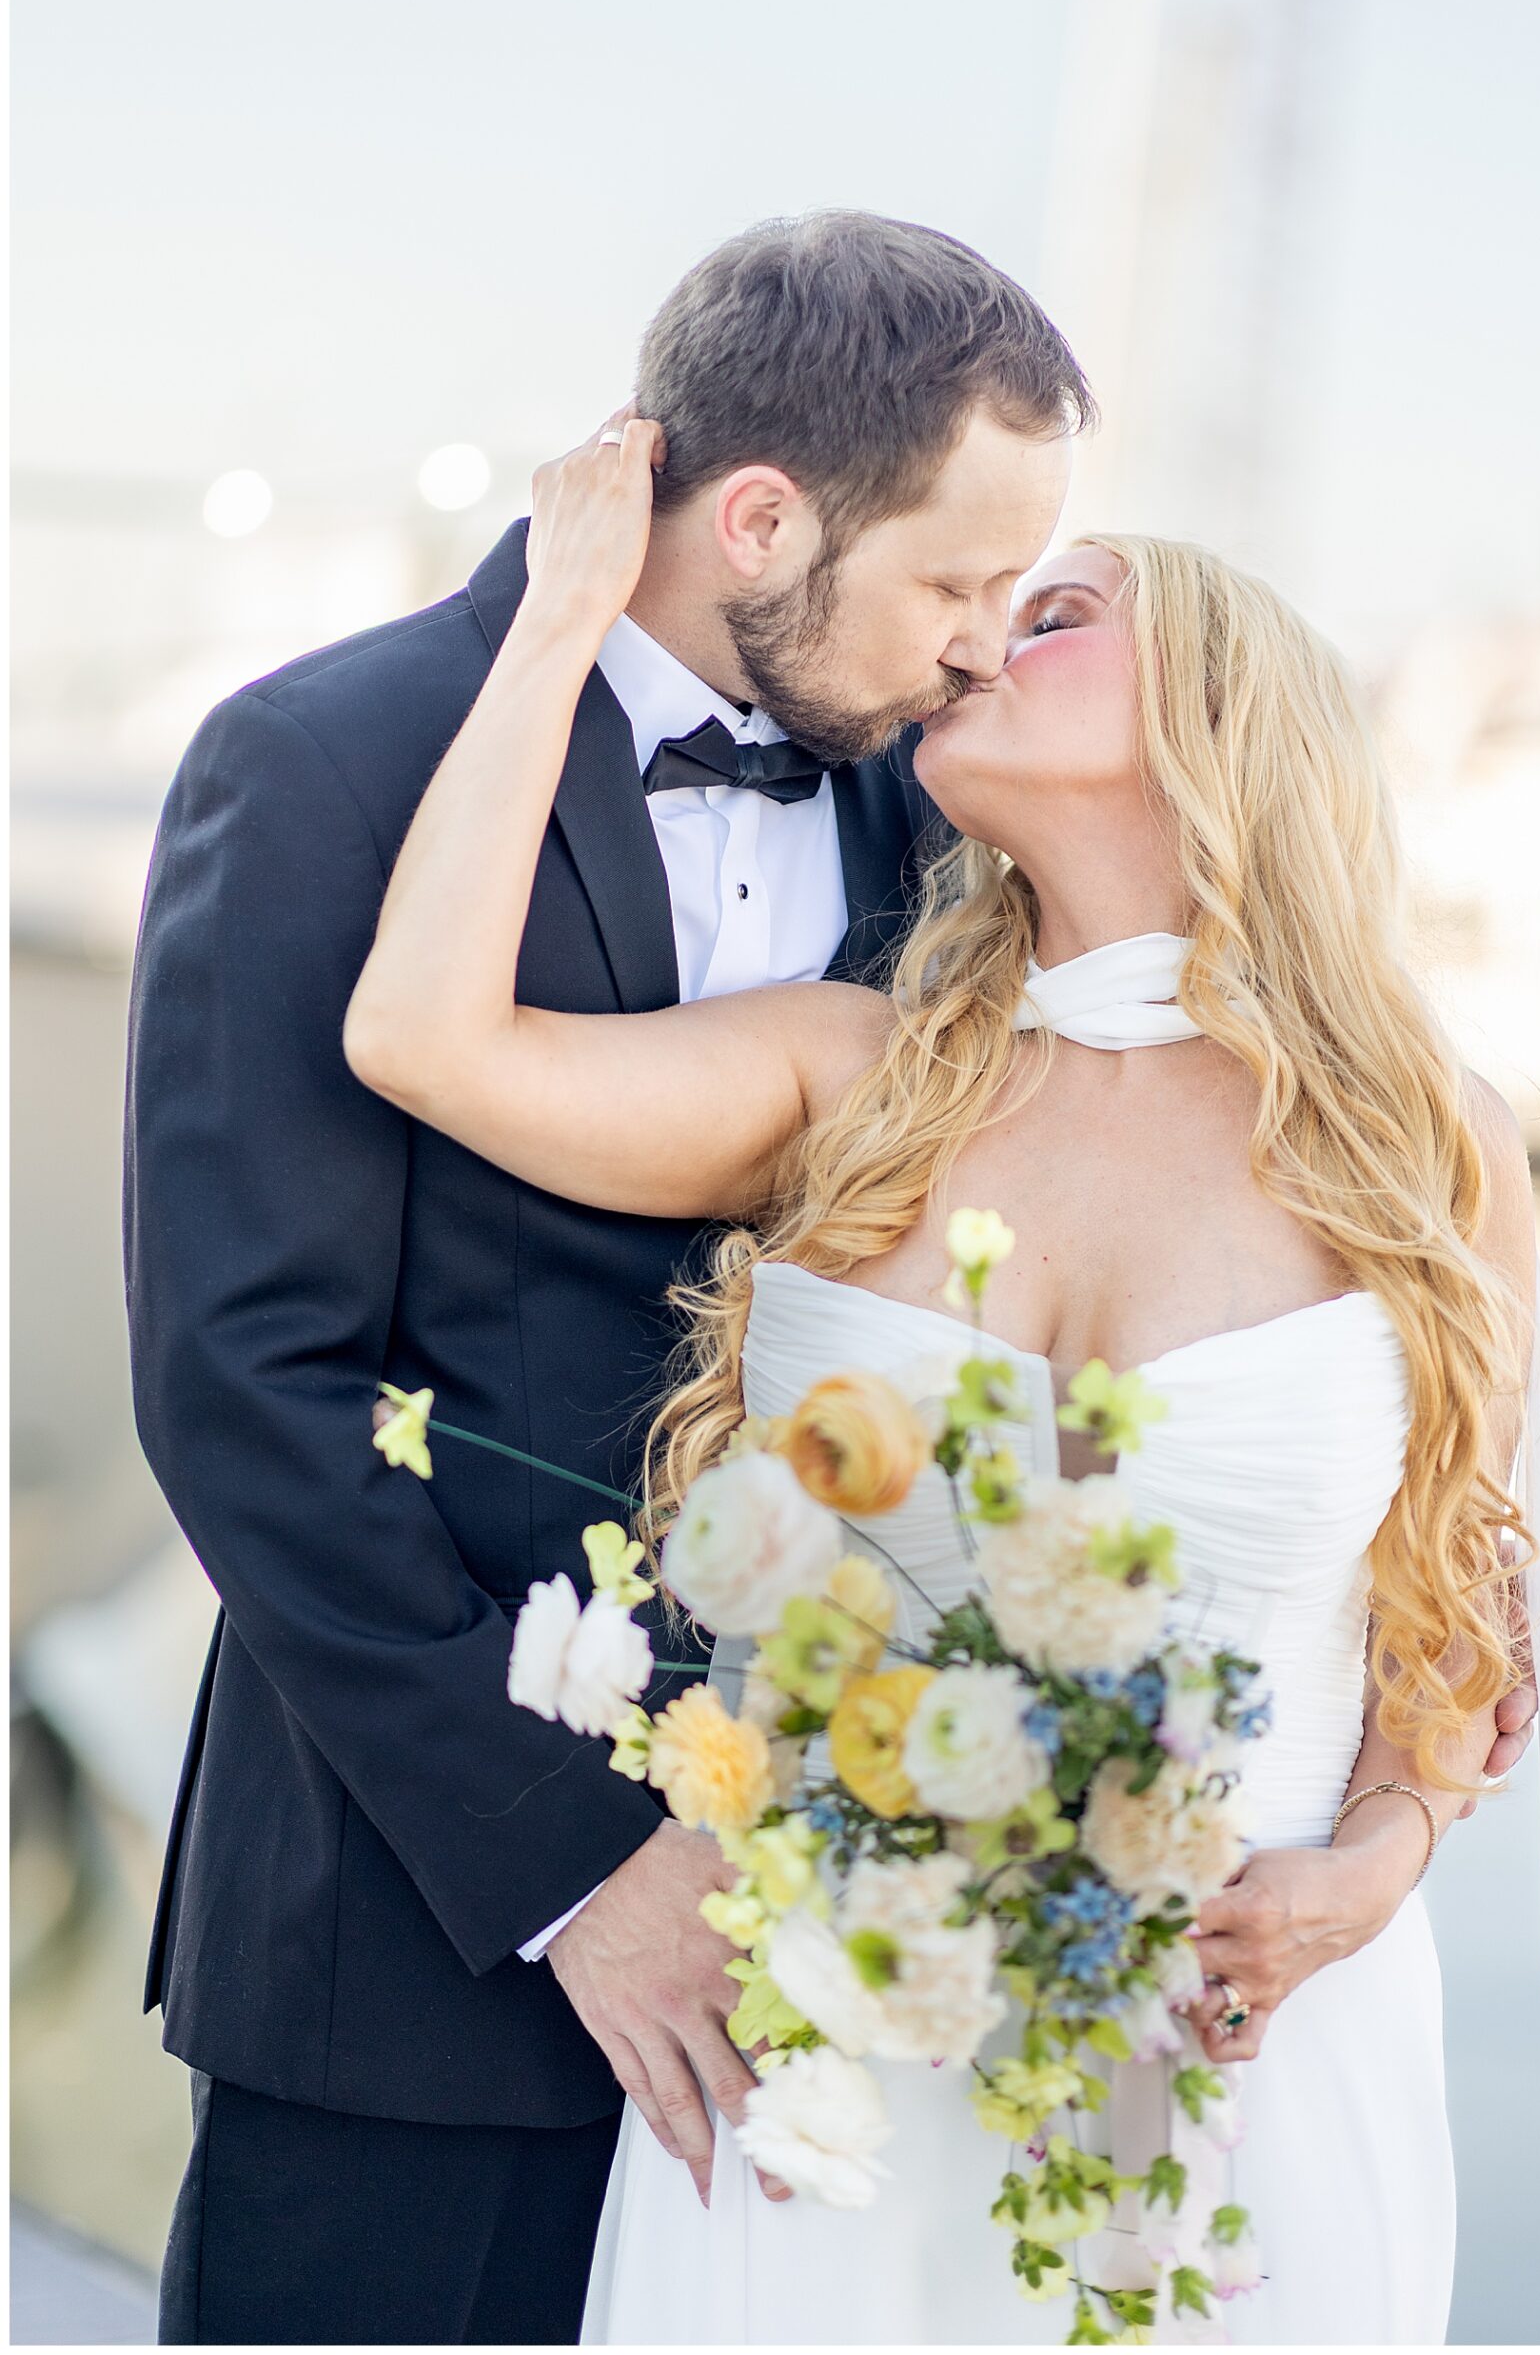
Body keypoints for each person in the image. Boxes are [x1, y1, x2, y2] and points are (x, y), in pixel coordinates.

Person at [335, 426, 1540, 2346]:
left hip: (1243, 2051)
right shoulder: (848, 1080)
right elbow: (419, 1038)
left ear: (1217, 716)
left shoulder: (1426, 1146)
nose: (970, 645)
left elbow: (1448, 1606)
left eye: (1053, 611)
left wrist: (1377, 1864)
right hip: (817, 2058)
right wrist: (558, 625)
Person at [123, 210, 1099, 2345]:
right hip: (407, 1945)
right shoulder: (318, 766)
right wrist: (572, 1862)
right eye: (951, 582)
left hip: (830, 1956)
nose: (976, 650)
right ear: (758, 515)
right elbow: (244, 1384)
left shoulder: (948, 824)